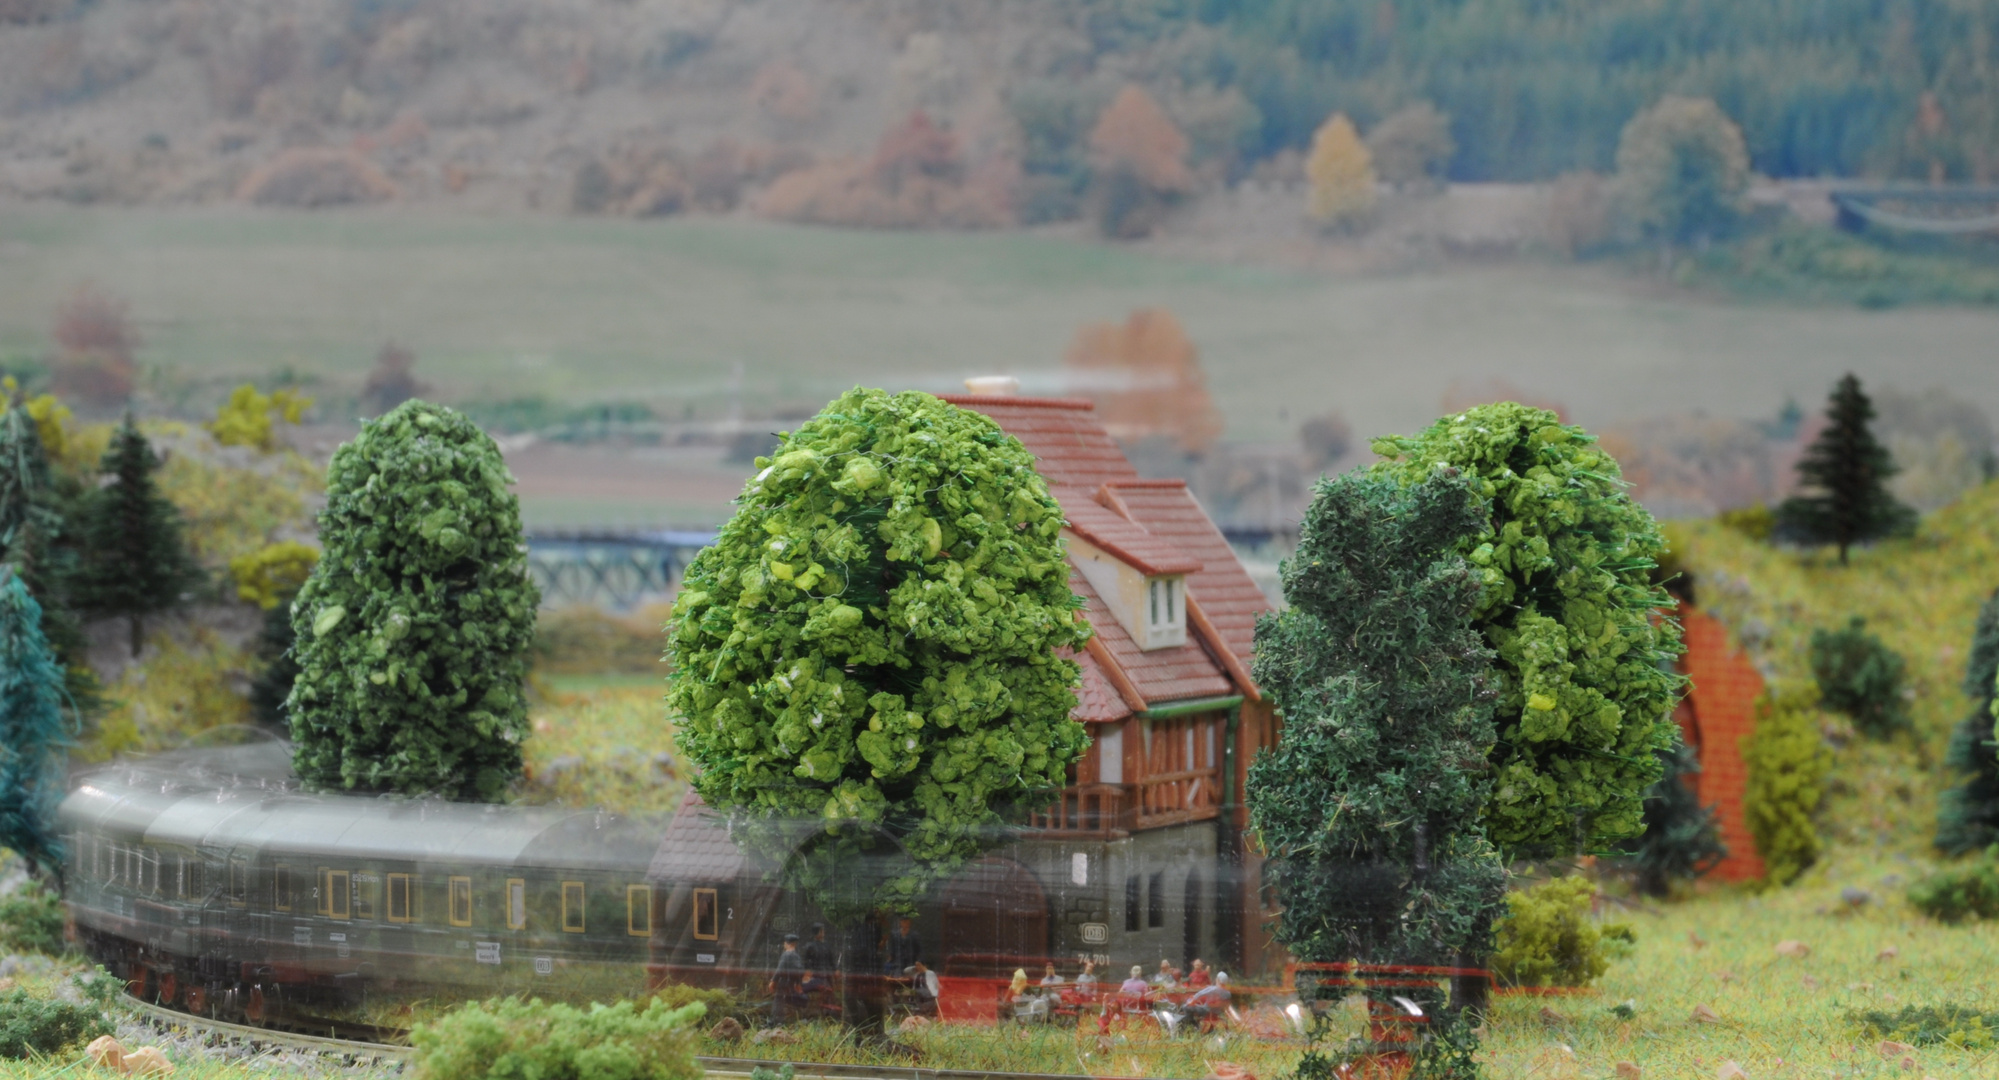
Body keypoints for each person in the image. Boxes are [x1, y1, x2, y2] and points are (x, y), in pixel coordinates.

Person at [768, 933, 805, 1023]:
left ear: (787, 943)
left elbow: (780, 969)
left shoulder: (786, 954)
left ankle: (776, 1020)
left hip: (784, 981)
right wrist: (798, 983)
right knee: (790, 1001)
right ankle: (795, 1019)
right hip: (792, 983)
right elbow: (800, 971)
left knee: (779, 1000)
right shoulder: (797, 956)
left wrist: (773, 981)